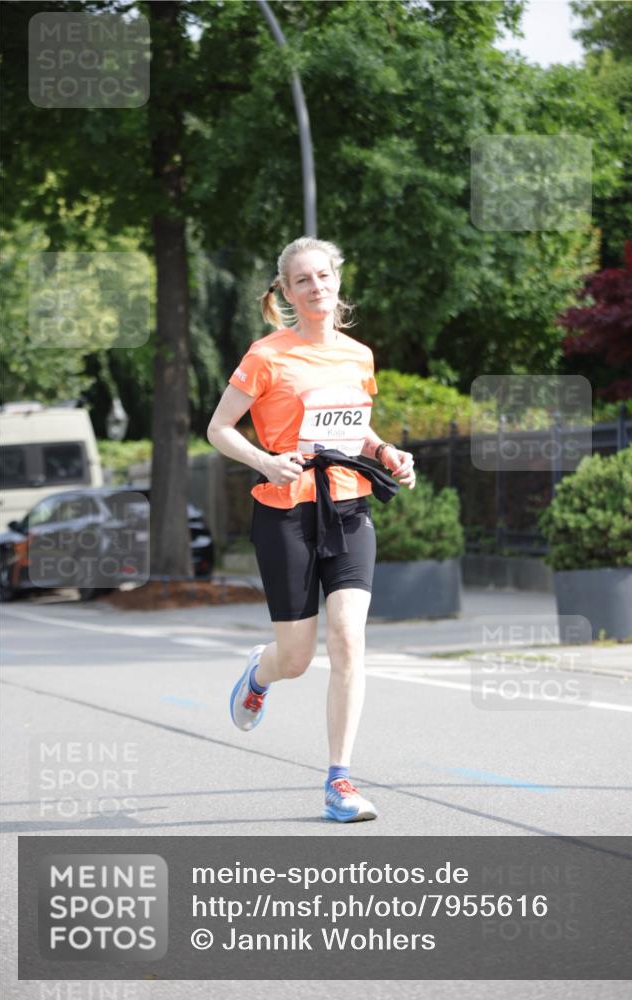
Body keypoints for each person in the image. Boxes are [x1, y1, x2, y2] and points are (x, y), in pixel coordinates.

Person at [206, 237, 416, 822]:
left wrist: (389, 452)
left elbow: (357, 434)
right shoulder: (266, 355)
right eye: (303, 280)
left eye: (324, 276)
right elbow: (219, 428)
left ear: (337, 281)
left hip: (349, 506)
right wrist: (266, 461)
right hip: (285, 511)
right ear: (287, 292)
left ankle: (340, 782)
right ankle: (260, 671)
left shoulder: (358, 356)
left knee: (348, 636)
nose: (316, 286)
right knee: (296, 657)